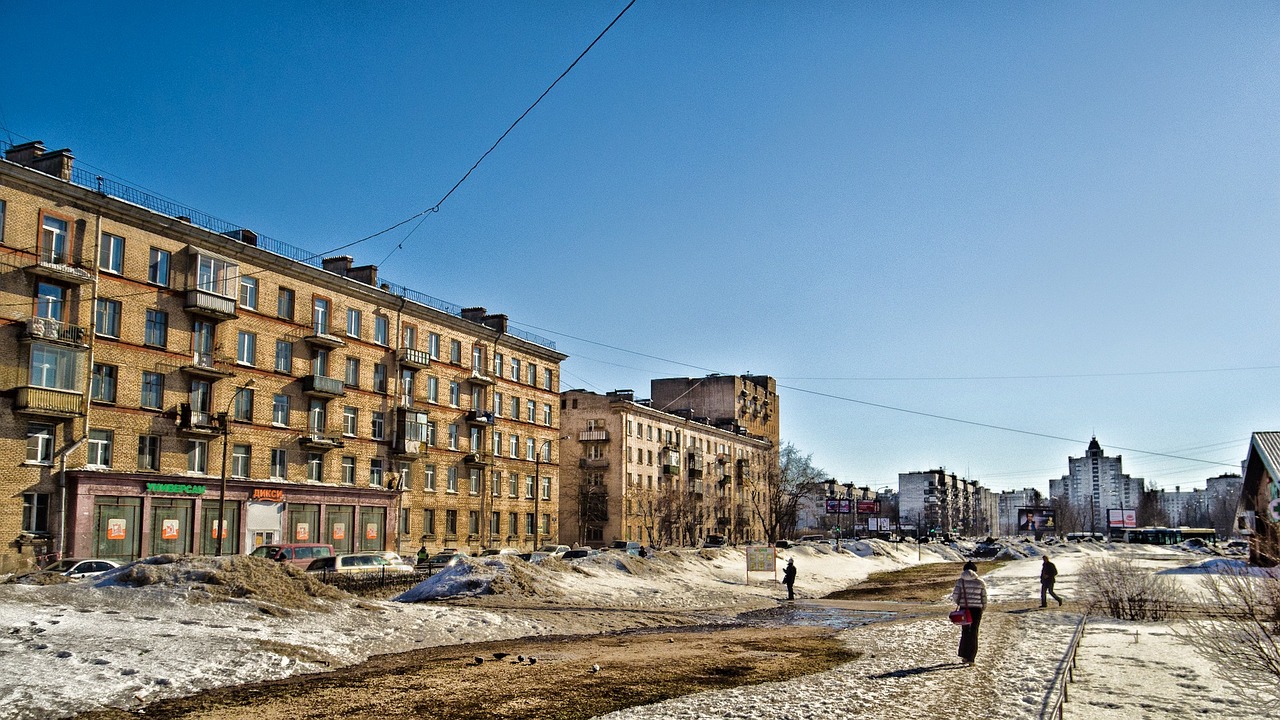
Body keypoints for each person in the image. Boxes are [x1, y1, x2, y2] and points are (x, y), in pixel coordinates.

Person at [952, 561, 988, 665]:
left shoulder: (960, 582)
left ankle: (964, 655)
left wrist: (960, 603)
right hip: (976, 610)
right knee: (974, 632)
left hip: (964, 609)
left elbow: (955, 596)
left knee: (965, 631)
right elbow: (984, 598)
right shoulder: (980, 582)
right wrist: (982, 608)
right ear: (975, 571)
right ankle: (971, 658)